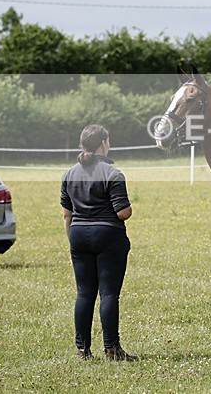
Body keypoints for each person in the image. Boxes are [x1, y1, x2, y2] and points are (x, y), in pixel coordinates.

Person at [60, 125, 138, 361]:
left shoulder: (69, 174)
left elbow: (67, 213)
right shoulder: (113, 174)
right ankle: (112, 349)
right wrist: (131, 208)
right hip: (107, 236)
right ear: (104, 143)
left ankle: (82, 350)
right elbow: (123, 212)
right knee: (108, 294)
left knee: (84, 294)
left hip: (78, 235)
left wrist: (72, 240)